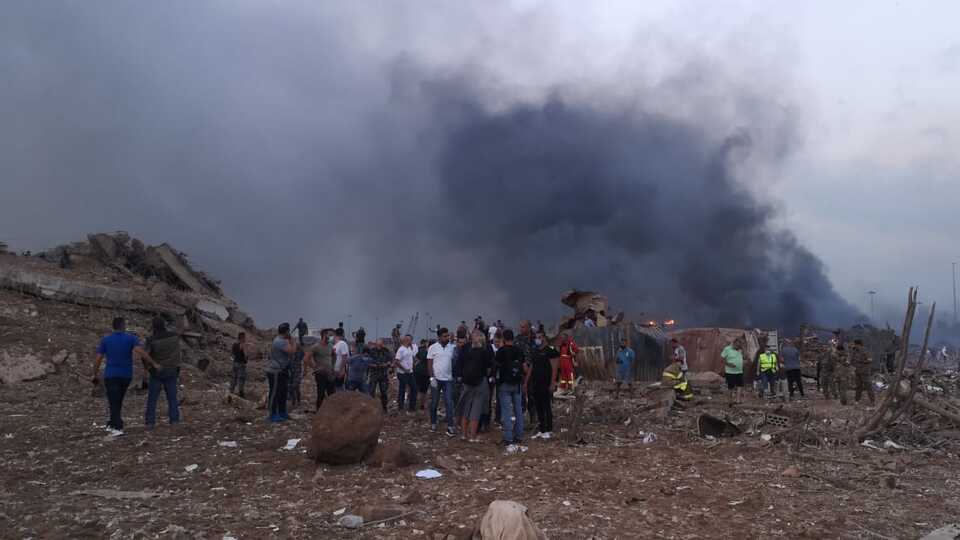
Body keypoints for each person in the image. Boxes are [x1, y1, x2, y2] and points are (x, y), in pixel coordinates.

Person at [92, 317, 156, 436]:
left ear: (113, 327)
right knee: (118, 399)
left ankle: (117, 426)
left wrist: (94, 373)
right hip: (126, 375)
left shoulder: (106, 340)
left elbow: (98, 358)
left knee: (113, 400)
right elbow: (141, 352)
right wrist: (153, 362)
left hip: (111, 374)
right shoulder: (131, 338)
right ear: (123, 326)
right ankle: (112, 423)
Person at [456, 330, 495, 442]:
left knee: (465, 408)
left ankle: (463, 434)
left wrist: (461, 376)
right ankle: (472, 436)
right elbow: (490, 366)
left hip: (467, 382)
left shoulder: (466, 349)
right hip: (480, 382)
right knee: (476, 410)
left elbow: (459, 363)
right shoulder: (485, 351)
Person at [495, 329, 529, 452]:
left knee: (506, 411)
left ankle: (508, 438)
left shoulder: (501, 351)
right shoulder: (519, 350)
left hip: (505, 383)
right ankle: (519, 435)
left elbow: (496, 366)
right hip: (517, 384)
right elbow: (525, 368)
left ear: (504, 339)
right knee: (518, 410)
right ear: (513, 338)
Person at [144, 316, 181, 429]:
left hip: (157, 371)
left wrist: (148, 368)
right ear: (164, 325)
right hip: (172, 369)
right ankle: (174, 420)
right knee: (172, 397)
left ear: (154, 326)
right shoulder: (174, 336)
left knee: (152, 398)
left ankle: (150, 422)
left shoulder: (151, 340)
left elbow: (145, 356)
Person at [527, 330, 560, 440]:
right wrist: (526, 382)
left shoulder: (551, 351)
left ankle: (549, 430)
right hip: (536, 383)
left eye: (540, 337)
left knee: (546, 406)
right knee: (539, 406)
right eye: (536, 337)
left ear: (544, 338)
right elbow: (531, 367)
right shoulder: (535, 351)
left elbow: (555, 367)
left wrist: (552, 383)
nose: (538, 339)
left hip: (546, 383)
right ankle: (542, 430)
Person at [427, 327, 457, 436]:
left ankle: (450, 426)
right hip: (436, 379)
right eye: (445, 336)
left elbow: (454, 362)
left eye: (448, 336)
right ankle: (433, 422)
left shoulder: (452, 347)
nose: (447, 338)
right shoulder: (432, 348)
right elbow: (429, 363)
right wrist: (431, 378)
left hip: (448, 380)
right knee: (434, 402)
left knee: (449, 403)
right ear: (439, 337)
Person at [266, 323, 296, 422]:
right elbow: (292, 351)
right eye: (288, 331)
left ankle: (282, 412)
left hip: (282, 370)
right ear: (286, 331)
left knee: (283, 392)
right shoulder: (279, 341)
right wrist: (293, 342)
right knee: (274, 393)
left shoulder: (282, 340)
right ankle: (272, 414)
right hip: (275, 371)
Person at [304, 331, 335, 411]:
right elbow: (306, 359)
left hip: (329, 373)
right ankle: (319, 411)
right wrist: (315, 367)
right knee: (321, 393)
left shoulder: (331, 346)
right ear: (324, 335)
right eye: (329, 335)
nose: (330, 336)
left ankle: (331, 411)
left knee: (332, 393)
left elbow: (334, 355)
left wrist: (333, 367)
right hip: (320, 374)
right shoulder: (316, 346)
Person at [514, 320, 536, 426]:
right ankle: (520, 421)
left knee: (532, 396)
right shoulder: (517, 340)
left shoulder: (534, 340)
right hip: (520, 373)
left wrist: (530, 366)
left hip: (533, 372)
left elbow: (537, 356)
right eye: (520, 327)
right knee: (520, 398)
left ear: (528, 327)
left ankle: (533, 419)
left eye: (523, 327)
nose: (521, 329)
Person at [394, 334, 418, 413]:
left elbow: (411, 357)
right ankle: (401, 407)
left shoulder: (410, 349)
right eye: (410, 340)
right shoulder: (401, 350)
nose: (411, 341)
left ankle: (412, 407)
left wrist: (414, 363)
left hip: (410, 372)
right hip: (402, 373)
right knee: (402, 389)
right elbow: (396, 361)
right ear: (406, 340)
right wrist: (404, 369)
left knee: (414, 388)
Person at [367, 339, 391, 412]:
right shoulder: (371, 351)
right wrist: (374, 365)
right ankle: (370, 408)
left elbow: (390, 361)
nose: (379, 346)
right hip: (374, 374)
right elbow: (367, 362)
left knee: (384, 392)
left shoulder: (386, 351)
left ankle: (384, 408)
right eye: (377, 345)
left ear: (382, 344)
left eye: (380, 345)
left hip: (383, 375)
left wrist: (386, 364)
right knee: (371, 392)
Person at [851, 339, 875, 405]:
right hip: (857, 371)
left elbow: (870, 360)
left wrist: (862, 361)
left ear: (858, 344)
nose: (854, 345)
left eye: (854, 344)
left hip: (865, 372)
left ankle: (872, 401)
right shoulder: (855, 351)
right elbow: (852, 360)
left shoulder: (865, 351)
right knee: (858, 386)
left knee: (868, 386)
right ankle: (857, 400)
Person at [721, 339, 745, 403]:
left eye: (739, 346)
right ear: (734, 343)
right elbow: (722, 359)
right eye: (737, 346)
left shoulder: (740, 349)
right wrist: (729, 364)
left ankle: (738, 400)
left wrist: (743, 349)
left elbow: (745, 356)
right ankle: (730, 400)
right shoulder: (727, 349)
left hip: (739, 371)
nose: (738, 347)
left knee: (740, 386)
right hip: (730, 372)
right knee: (730, 387)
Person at [230, 331, 249, 398]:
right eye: (244, 337)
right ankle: (241, 393)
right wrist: (246, 359)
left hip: (235, 363)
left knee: (234, 378)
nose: (245, 338)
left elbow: (232, 354)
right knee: (241, 379)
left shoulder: (234, 344)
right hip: (241, 364)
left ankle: (231, 392)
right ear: (242, 337)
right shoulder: (242, 344)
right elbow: (246, 355)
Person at [413, 339, 430, 411]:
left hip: (417, 372)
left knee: (416, 388)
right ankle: (421, 405)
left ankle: (413, 404)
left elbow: (415, 359)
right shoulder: (427, 351)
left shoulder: (418, 350)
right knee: (424, 390)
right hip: (425, 373)